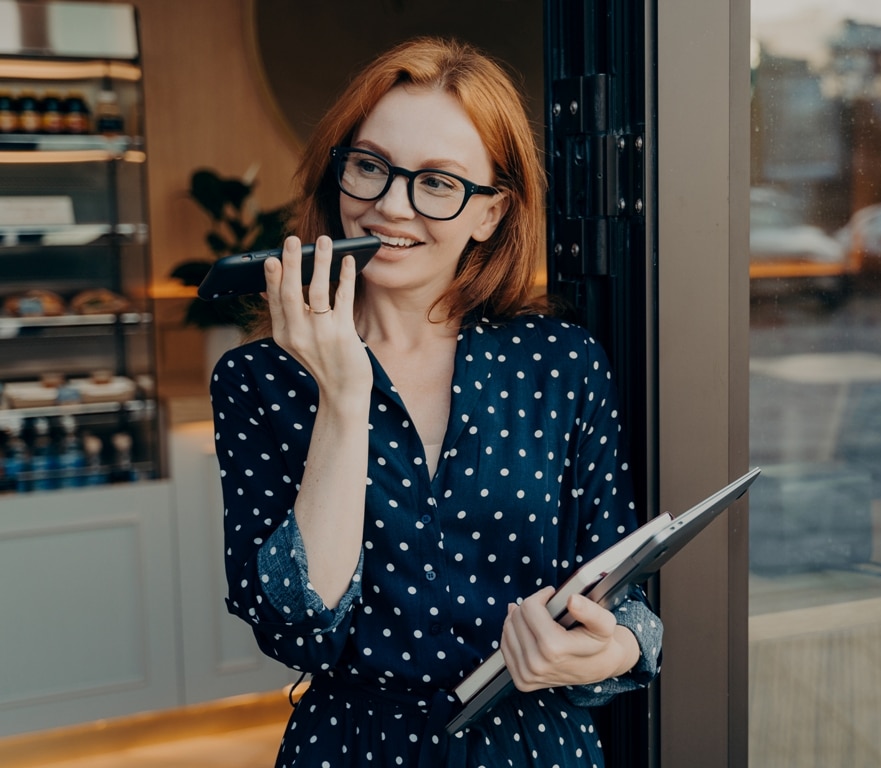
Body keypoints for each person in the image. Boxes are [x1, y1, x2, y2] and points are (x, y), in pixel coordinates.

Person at [210, 37, 662, 767]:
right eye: (370, 167)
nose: (390, 206)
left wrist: (609, 651)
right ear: (338, 172)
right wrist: (343, 396)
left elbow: (623, 597)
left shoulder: (559, 362)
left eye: (439, 183)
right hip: (352, 747)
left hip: (535, 745)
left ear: (491, 213)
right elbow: (300, 629)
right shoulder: (257, 380)